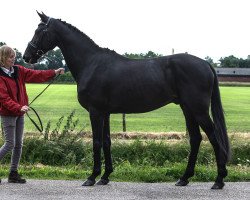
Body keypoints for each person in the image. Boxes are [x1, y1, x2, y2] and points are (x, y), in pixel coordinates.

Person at [0, 45, 64, 184]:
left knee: (19, 145)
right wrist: (18, 107)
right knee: (10, 144)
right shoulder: (0, 76)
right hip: (8, 114)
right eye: (11, 56)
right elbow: (4, 99)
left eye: (14, 56)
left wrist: (54, 72)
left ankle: (13, 173)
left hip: (20, 113)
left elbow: (37, 75)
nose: (13, 58)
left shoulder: (19, 70)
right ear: (3, 58)